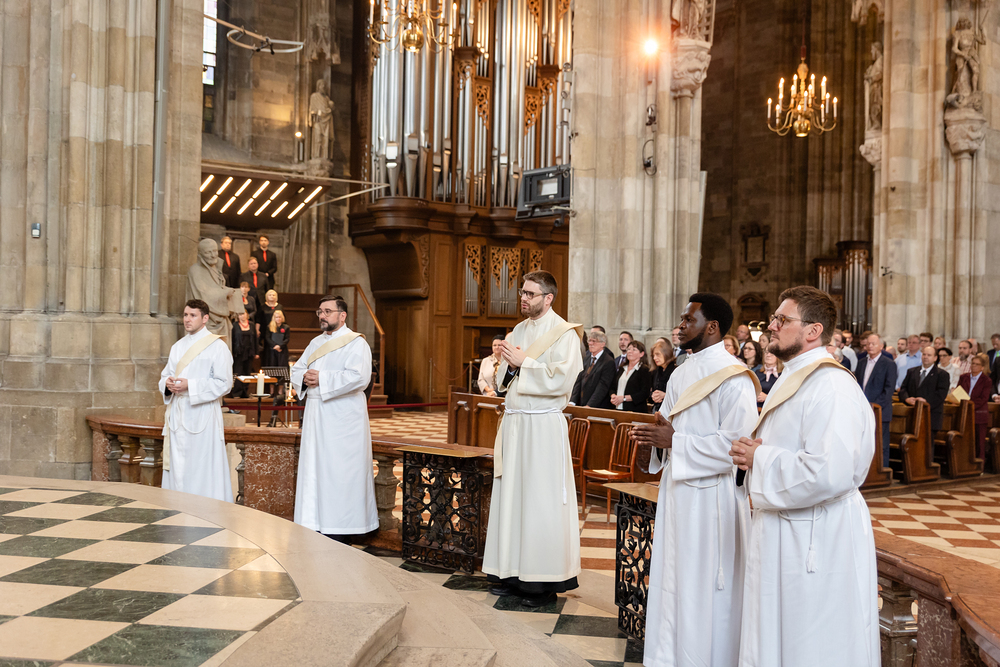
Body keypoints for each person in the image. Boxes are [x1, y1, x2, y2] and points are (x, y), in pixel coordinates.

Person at [729, 286, 878, 667]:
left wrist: (760, 458)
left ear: (813, 331)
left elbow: (830, 472)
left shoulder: (832, 386)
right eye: (773, 319)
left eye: (782, 319)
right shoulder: (797, 377)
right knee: (779, 637)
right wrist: (755, 456)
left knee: (812, 644)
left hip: (817, 537)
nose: (771, 326)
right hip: (789, 528)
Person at [632, 292, 759, 667]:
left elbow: (737, 446)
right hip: (677, 492)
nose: (681, 326)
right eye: (682, 319)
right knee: (673, 576)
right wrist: (652, 444)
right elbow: (667, 429)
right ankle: (668, 657)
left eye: (689, 320)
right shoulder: (681, 371)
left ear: (712, 327)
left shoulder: (735, 378)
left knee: (704, 586)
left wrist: (675, 442)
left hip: (712, 500)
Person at [484, 270, 584, 607]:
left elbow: (562, 380)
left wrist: (524, 363)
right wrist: (511, 367)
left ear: (548, 298)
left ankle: (541, 583)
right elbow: (502, 380)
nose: (524, 299)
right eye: (522, 293)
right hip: (515, 425)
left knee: (540, 501)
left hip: (542, 427)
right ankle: (510, 573)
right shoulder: (517, 331)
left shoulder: (565, 335)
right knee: (513, 498)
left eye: (530, 294)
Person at [291, 295, 378, 542]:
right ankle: (314, 521)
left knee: (341, 471)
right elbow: (297, 369)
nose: (322, 315)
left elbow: (360, 377)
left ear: (342, 315)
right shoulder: (315, 342)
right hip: (316, 416)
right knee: (316, 469)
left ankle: (344, 526)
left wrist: (322, 378)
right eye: (320, 311)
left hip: (343, 419)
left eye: (327, 311)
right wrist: (305, 378)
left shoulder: (356, 343)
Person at [159, 299, 234, 502]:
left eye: (193, 315)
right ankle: (177, 508)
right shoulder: (177, 346)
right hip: (177, 414)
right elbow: (165, 375)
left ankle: (203, 511)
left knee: (201, 467)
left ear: (205, 318)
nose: (187, 319)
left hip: (203, 415)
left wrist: (190, 386)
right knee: (178, 468)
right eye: (185, 315)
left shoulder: (217, 347)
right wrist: (167, 384)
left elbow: (225, 383)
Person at [855, 332, 897, 466]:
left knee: (881, 445)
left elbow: (889, 390)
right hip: (863, 411)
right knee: (863, 444)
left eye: (873, 344)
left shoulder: (889, 364)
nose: (870, 346)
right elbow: (858, 386)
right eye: (868, 344)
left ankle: (882, 471)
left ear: (881, 346)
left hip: (880, 411)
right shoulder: (861, 362)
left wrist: (873, 406)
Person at [898, 345, 950, 432]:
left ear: (935, 358)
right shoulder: (912, 371)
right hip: (911, 413)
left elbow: (941, 394)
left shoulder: (942, 374)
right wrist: (906, 399)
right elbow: (903, 389)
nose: (925, 357)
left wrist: (926, 401)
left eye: (929, 355)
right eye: (924, 354)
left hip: (931, 415)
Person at [570, 329, 616, 409]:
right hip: (583, 403)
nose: (590, 343)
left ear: (603, 344)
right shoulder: (586, 358)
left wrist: (590, 405)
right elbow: (579, 381)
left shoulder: (608, 361)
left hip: (598, 407)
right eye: (590, 341)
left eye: (594, 341)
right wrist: (572, 402)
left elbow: (602, 387)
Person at [959, 354, 991, 461]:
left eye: (977, 364)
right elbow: (959, 392)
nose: (974, 366)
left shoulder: (986, 380)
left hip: (979, 414)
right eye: (973, 363)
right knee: (964, 440)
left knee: (979, 442)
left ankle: (980, 464)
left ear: (982, 367)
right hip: (964, 412)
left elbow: (983, 398)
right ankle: (964, 462)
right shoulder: (964, 377)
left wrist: (969, 405)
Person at [611, 340, 651, 413]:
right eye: (628, 349)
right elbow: (613, 386)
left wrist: (624, 398)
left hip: (635, 410)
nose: (630, 351)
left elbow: (644, 393)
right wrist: (613, 396)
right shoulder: (622, 368)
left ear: (641, 354)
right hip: (618, 408)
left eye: (634, 350)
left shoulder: (644, 370)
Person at [230, 311, 258, 398]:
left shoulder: (252, 325)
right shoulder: (234, 325)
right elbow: (232, 339)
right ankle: (237, 393)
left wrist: (256, 352)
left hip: (249, 352)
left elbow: (255, 339)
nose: (242, 316)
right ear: (237, 316)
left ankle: (245, 392)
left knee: (247, 372)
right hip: (238, 353)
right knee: (238, 372)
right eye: (240, 314)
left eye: (243, 314)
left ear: (247, 314)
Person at [649, 339, 677, 413]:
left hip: (672, 410)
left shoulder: (676, 370)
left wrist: (664, 395)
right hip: (657, 409)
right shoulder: (655, 371)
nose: (654, 358)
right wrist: (653, 395)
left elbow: (680, 394)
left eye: (657, 354)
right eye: (653, 355)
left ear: (666, 353)